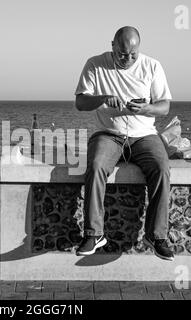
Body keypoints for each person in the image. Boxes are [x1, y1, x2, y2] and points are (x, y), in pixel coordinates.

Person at [74, 26, 174, 261]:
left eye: (133, 54)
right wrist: (102, 99)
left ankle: (157, 236)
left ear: (139, 49)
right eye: (122, 53)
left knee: (161, 168)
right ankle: (94, 234)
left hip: (144, 135)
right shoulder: (95, 64)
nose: (127, 58)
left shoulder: (152, 66)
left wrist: (146, 108)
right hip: (108, 134)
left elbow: (165, 106)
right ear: (112, 45)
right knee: (97, 166)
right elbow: (80, 102)